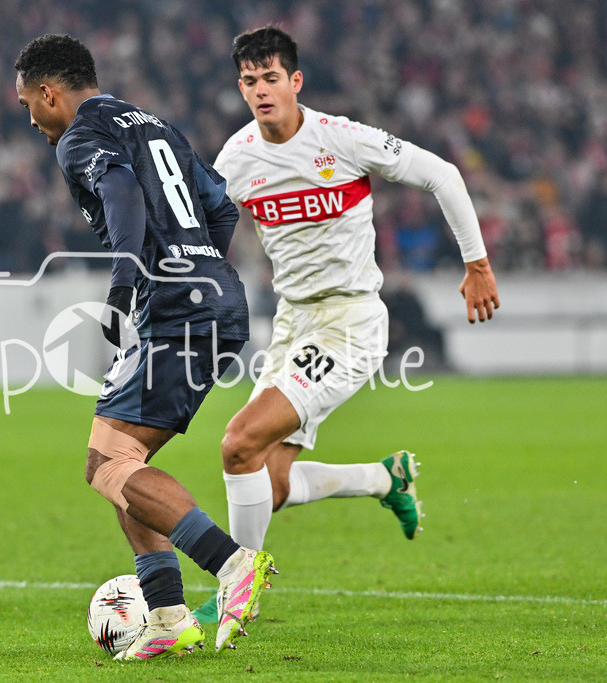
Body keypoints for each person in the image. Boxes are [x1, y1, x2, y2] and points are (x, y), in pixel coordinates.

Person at [192, 26, 500, 623]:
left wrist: (477, 263)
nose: (261, 91)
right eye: (250, 81)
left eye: (271, 78)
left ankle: (238, 596)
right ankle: (386, 479)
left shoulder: (342, 139)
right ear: (241, 87)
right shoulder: (235, 159)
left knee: (237, 445)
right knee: (269, 485)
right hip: (293, 324)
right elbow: (200, 230)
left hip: (351, 322)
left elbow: (443, 174)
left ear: (295, 81)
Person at [13, 34, 277, 660]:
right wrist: (201, 265)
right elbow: (219, 204)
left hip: (175, 307)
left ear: (50, 93)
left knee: (110, 467)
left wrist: (127, 281)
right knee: (112, 459)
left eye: (29, 104)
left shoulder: (81, 137)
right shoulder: (155, 125)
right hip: (210, 296)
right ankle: (165, 616)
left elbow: (124, 193)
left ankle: (231, 562)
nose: (30, 119)